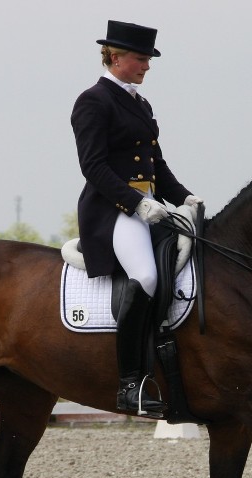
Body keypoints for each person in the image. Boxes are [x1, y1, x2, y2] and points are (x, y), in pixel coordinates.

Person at [71, 20, 203, 417]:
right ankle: (129, 383)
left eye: (148, 59)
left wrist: (186, 198)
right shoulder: (93, 100)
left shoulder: (140, 104)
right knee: (145, 276)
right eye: (141, 59)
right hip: (112, 210)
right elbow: (93, 166)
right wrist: (136, 203)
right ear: (115, 56)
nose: (147, 66)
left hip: (148, 206)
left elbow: (156, 167)